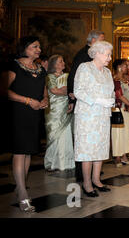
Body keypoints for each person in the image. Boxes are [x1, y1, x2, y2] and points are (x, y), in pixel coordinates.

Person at [7, 36, 48, 212]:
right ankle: (22, 192)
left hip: (35, 114)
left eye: (39, 47)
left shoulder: (40, 69)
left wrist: (45, 100)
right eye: (34, 46)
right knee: (19, 151)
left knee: (29, 150)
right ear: (24, 48)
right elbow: (5, 91)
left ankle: (20, 185)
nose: (38, 49)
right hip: (18, 113)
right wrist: (27, 101)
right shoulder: (14, 65)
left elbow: (44, 91)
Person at [73, 41, 114, 197]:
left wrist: (110, 100)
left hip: (103, 115)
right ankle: (87, 183)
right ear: (96, 53)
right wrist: (97, 100)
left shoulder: (107, 72)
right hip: (87, 115)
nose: (109, 58)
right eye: (107, 54)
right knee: (88, 150)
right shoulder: (85, 68)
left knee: (100, 148)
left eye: (110, 54)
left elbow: (110, 91)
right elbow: (78, 91)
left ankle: (97, 180)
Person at [67, 29, 105, 183]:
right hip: (85, 104)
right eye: (102, 39)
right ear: (94, 40)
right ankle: (83, 175)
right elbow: (74, 76)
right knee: (84, 141)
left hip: (97, 106)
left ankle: (94, 174)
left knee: (96, 141)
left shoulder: (98, 59)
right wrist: (71, 95)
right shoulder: (83, 55)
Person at [44, 55, 75, 172]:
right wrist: (68, 90)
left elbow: (68, 89)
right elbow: (54, 90)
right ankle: (52, 162)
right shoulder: (49, 77)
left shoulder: (67, 76)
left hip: (66, 108)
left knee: (65, 135)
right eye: (60, 61)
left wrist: (65, 90)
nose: (63, 63)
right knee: (54, 135)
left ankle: (66, 163)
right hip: (54, 110)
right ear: (54, 65)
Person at [112, 59, 129, 168]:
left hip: (127, 110)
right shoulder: (115, 79)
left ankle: (124, 156)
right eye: (125, 66)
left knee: (127, 133)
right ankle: (117, 157)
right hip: (118, 109)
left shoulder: (127, 79)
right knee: (118, 133)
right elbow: (119, 95)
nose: (127, 68)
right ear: (119, 67)